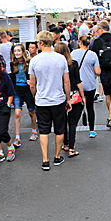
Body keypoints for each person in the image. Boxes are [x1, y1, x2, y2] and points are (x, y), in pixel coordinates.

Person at [29, 30, 70, 171]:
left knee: (44, 130)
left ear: (41, 43)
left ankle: (45, 160)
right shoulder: (61, 58)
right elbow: (66, 82)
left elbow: (32, 84)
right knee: (60, 130)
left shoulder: (34, 60)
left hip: (42, 101)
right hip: (58, 100)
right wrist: (68, 98)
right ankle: (57, 157)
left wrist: (34, 96)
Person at [54, 42, 84, 158]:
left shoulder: (55, 65)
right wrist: (82, 96)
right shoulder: (73, 64)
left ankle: (65, 144)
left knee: (63, 121)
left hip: (59, 95)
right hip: (74, 95)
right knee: (72, 123)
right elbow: (78, 81)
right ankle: (71, 148)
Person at [71, 35, 101, 138]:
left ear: (79, 42)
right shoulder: (93, 55)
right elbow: (98, 71)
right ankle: (92, 130)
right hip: (89, 84)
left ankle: (73, 128)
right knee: (90, 107)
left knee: (76, 108)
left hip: (76, 84)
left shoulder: (73, 53)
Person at [10, 44, 38, 146]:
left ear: (23, 52)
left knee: (31, 112)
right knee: (17, 113)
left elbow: (35, 76)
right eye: (15, 51)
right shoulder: (12, 64)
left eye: (19, 51)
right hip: (17, 91)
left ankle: (34, 130)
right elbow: (12, 78)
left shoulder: (29, 62)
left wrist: (31, 82)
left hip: (27, 90)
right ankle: (17, 137)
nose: (17, 53)